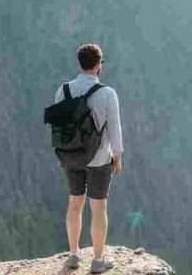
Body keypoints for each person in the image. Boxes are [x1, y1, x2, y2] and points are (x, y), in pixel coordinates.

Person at [54, 43, 123, 273]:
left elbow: (58, 126)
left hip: (71, 157)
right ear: (98, 65)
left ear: (80, 64)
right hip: (99, 159)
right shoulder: (107, 94)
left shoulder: (62, 90)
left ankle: (73, 254)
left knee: (75, 203)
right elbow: (114, 129)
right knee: (98, 207)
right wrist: (118, 157)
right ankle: (97, 260)